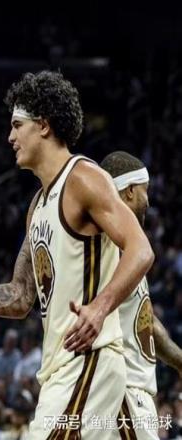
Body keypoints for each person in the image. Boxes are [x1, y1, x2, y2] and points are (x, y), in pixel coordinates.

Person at [0, 71, 154, 438]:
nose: (10, 137)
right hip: (59, 368)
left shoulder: (83, 178)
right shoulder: (38, 206)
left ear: (43, 125)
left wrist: (100, 307)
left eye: (17, 125)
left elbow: (140, 249)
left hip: (89, 358)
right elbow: (20, 296)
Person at [101, 150, 182, 439]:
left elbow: (143, 319)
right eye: (145, 191)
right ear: (131, 191)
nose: (148, 201)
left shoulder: (125, 247)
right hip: (122, 391)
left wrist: (179, 360)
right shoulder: (107, 246)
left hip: (128, 392)